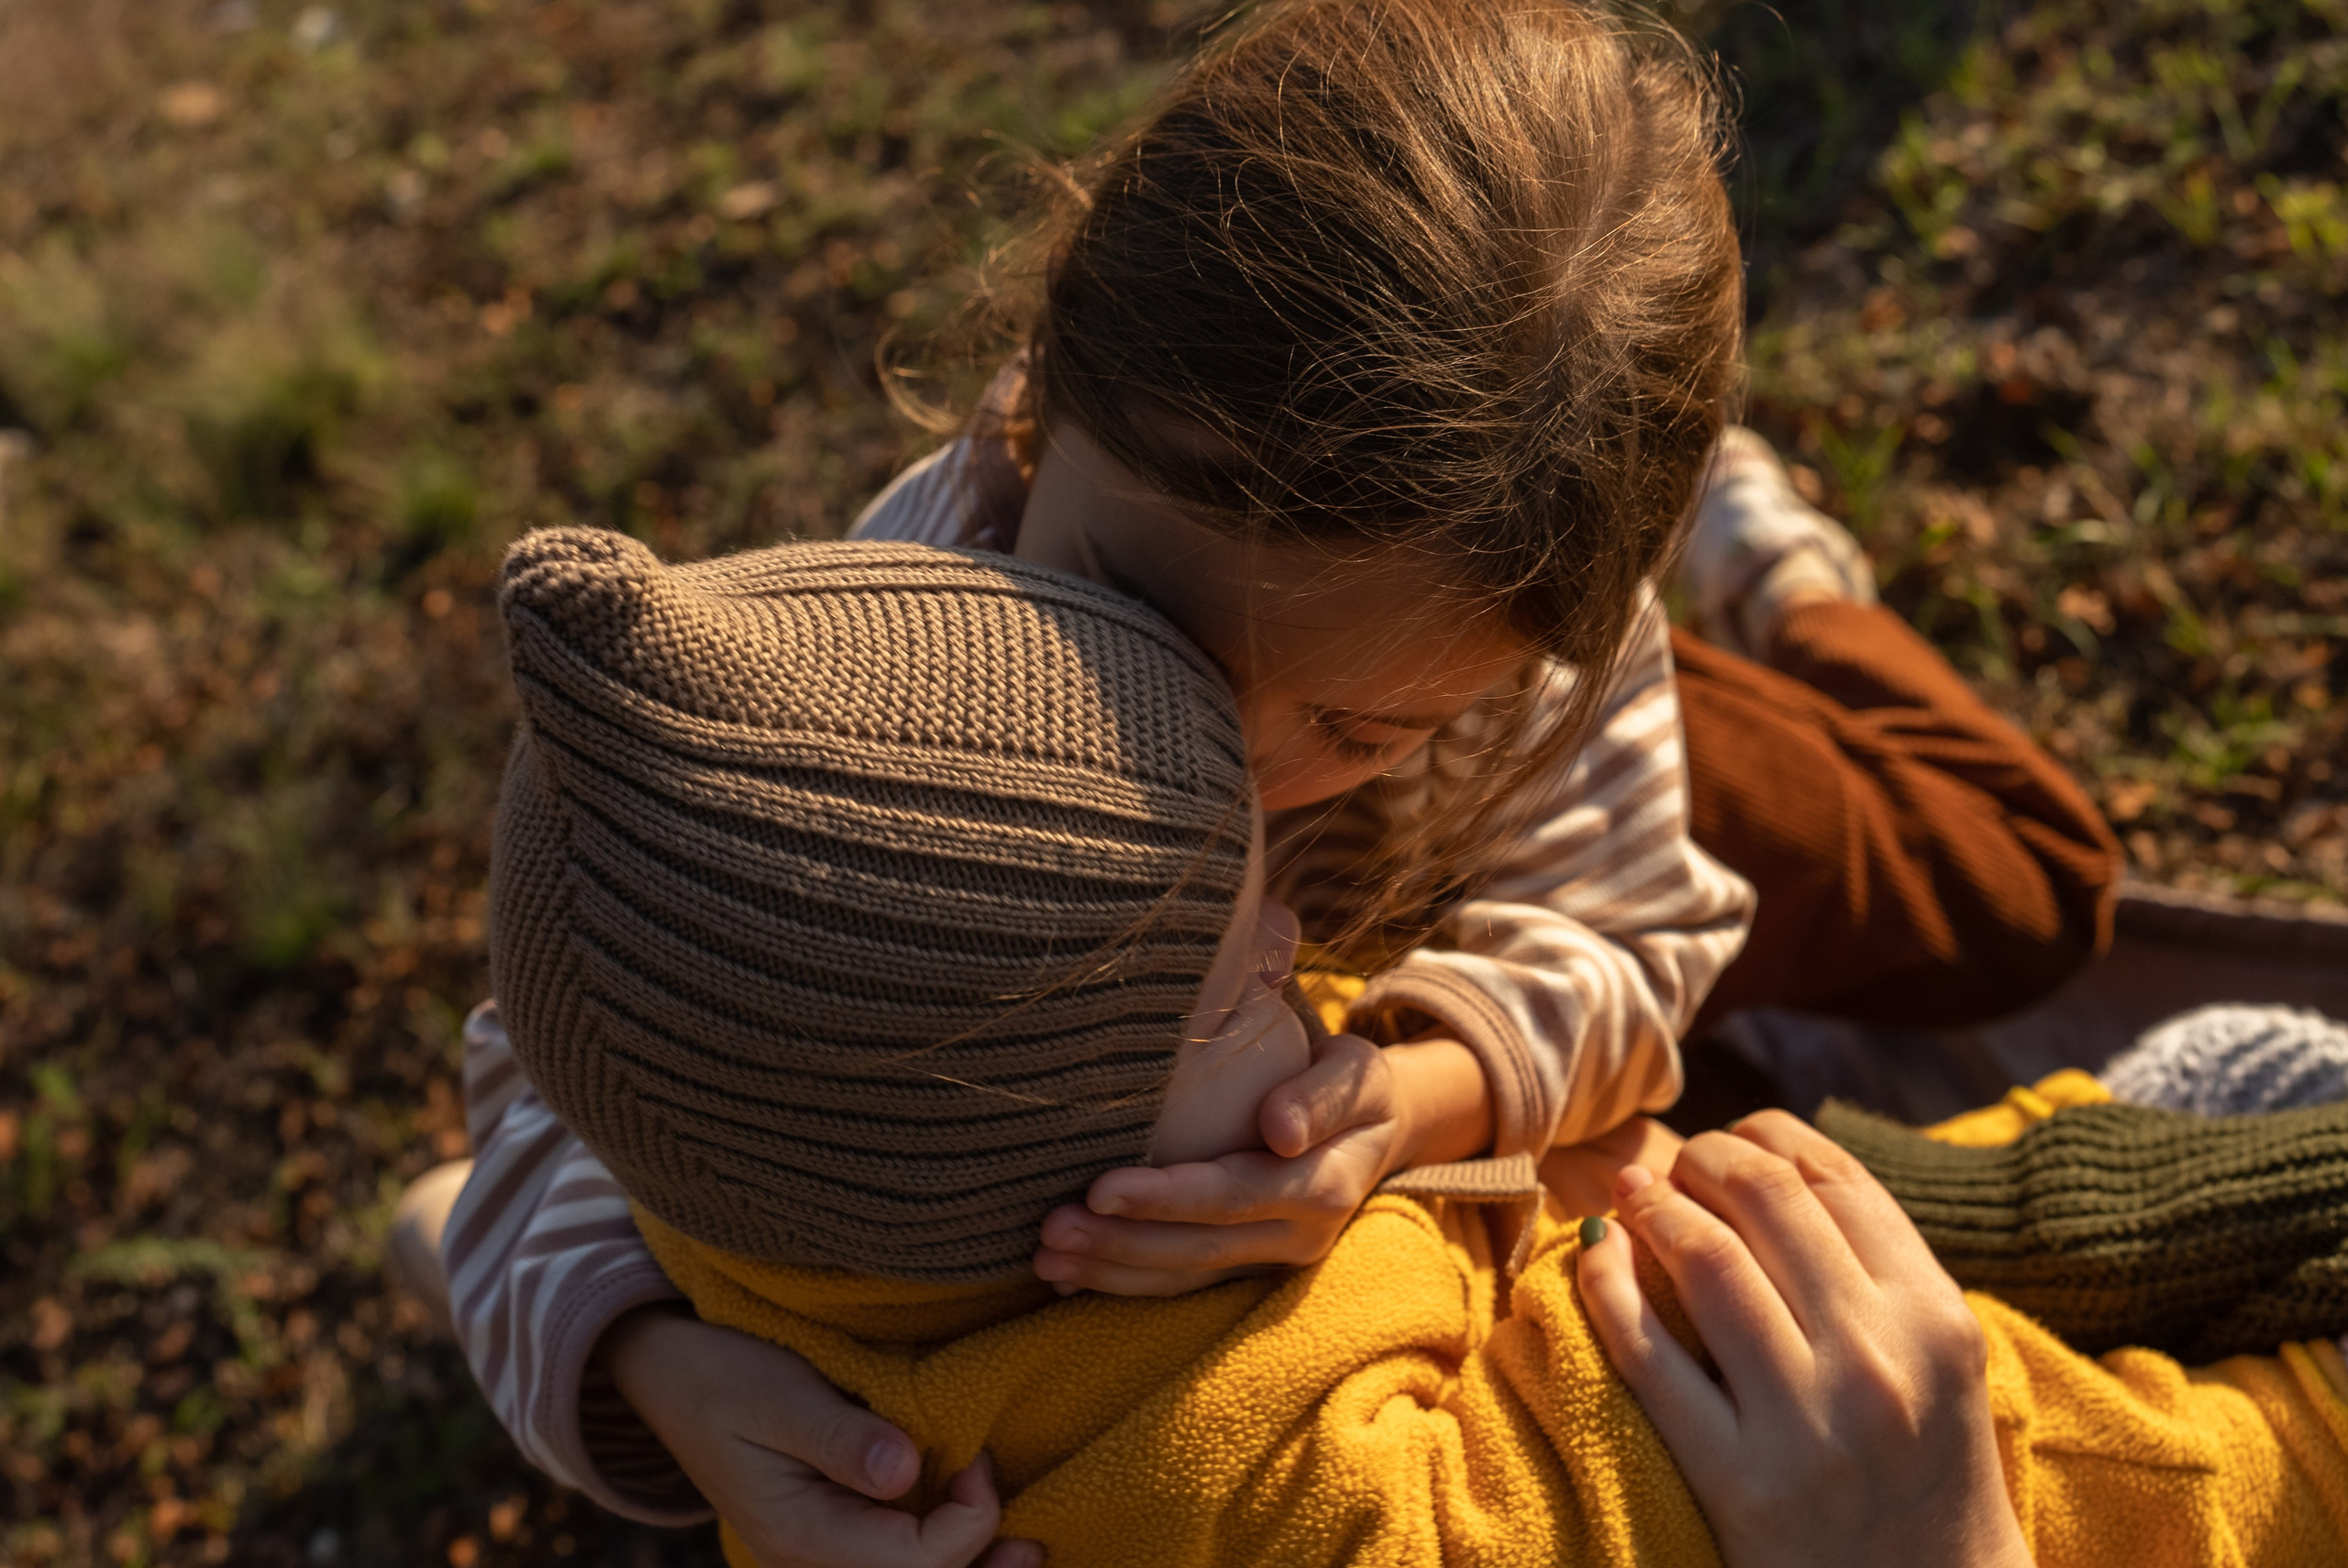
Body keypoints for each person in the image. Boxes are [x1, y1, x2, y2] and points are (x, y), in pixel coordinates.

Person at [404, 0, 2116, 1556]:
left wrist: (1417, 1096)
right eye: (1139, 607)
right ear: (1042, 408)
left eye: (1349, 729)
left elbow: (1643, 931)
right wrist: (652, 1371)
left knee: (2034, 890)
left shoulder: (1531, 666)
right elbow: (565, 1049)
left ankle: (1782, 578)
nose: (1227, 753)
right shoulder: (906, 646)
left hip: (1541, 810)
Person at [481, 525, 2348, 1568]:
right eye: (1235, 990)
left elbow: (545, 1099)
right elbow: (2057, 1477)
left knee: (2017, 1016)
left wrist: (625, 1346)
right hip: (2001, 1471)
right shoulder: (1336, 1520)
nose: (1302, 937)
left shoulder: (781, 1207)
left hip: (1619, 1209)